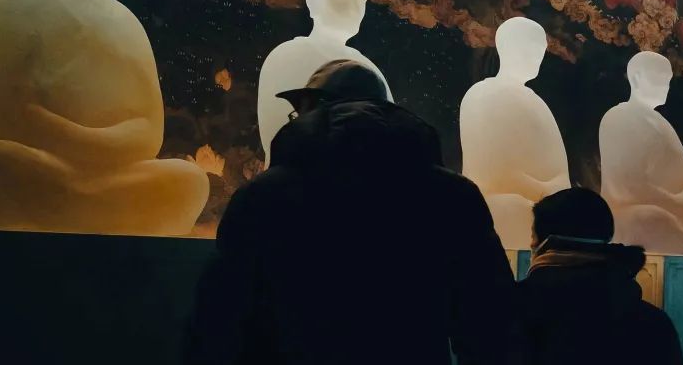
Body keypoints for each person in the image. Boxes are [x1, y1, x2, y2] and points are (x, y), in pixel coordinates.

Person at [186, 59, 521, 364]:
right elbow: (490, 322)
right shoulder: (452, 195)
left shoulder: (264, 195)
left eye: (299, 112)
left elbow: (219, 319)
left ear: (314, 110)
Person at [518, 188, 683, 365]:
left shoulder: (513, 313)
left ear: (544, 243)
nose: (531, 243)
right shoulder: (653, 325)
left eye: (533, 235)